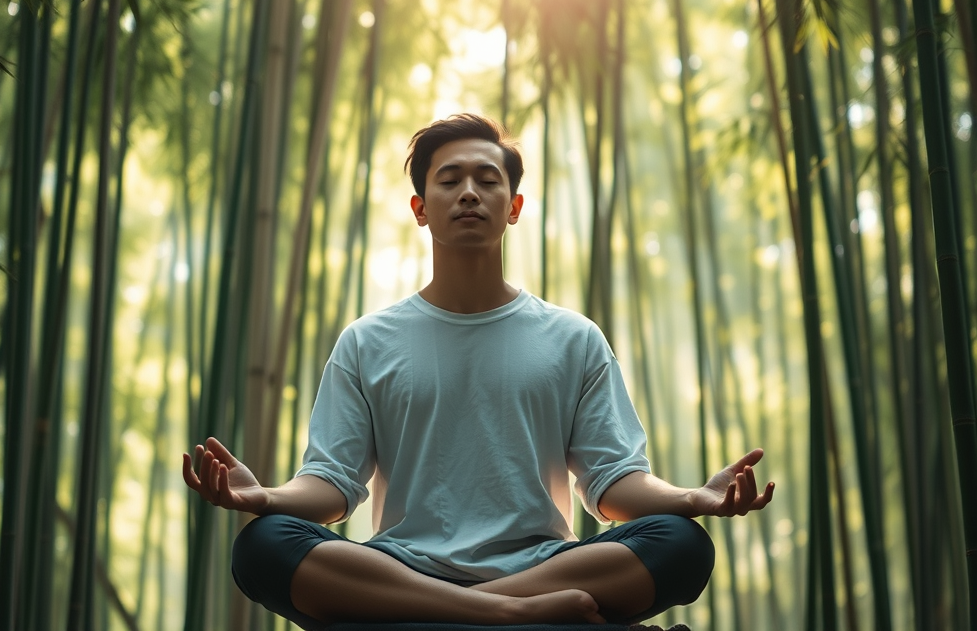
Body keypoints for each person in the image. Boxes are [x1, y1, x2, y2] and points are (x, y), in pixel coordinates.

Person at [182, 113, 774, 629]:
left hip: (542, 566)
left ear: (513, 207)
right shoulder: (367, 341)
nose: (469, 192)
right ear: (420, 209)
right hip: (403, 564)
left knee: (680, 543)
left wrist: (693, 497)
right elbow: (332, 487)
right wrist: (266, 497)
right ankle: (511, 617)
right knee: (263, 544)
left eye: (488, 180)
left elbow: (614, 486)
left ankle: (427, 616)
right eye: (450, 180)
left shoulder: (573, 338)